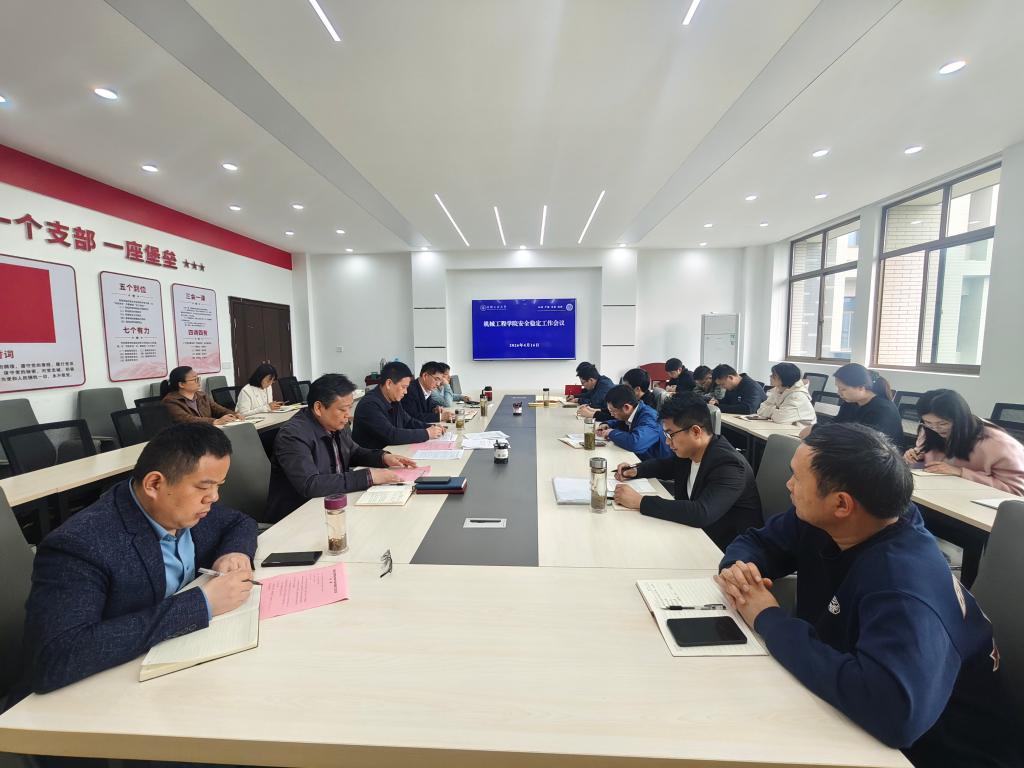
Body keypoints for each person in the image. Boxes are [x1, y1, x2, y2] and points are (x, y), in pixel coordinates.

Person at [717, 424, 1021, 767]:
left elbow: (894, 715)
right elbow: (758, 542)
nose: (788, 485)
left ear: (841, 503)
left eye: (797, 478)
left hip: (939, 751)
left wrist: (768, 618)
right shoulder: (833, 519)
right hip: (856, 704)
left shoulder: (903, 582)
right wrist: (740, 569)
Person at [17, 423, 258, 697]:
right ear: (154, 484)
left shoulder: (183, 507)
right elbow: (56, 657)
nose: (214, 497)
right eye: (204, 486)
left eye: (218, 485)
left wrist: (234, 552)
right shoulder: (80, 544)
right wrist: (201, 604)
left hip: (182, 669)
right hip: (106, 695)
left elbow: (240, 522)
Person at [613, 393, 762, 549]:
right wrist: (636, 470)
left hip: (727, 551)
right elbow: (665, 466)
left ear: (696, 432)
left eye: (670, 434)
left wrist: (640, 501)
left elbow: (702, 513)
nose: (667, 441)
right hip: (694, 535)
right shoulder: (691, 452)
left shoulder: (730, 465)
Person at [266, 373, 418, 522]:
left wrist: (383, 457)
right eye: (342, 409)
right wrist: (369, 476)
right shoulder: (293, 435)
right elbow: (310, 484)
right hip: (296, 518)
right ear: (318, 408)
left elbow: (354, 452)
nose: (348, 415)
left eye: (349, 408)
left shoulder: (333, 424)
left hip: (332, 505)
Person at [905, 389, 1024, 495]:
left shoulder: (996, 443)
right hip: (939, 494)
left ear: (961, 419)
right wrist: (916, 458)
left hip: (974, 504)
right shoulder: (928, 430)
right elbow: (935, 467)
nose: (935, 428)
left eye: (943, 423)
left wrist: (961, 472)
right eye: (928, 422)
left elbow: (1017, 491)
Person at [352, 361, 447, 450]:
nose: (406, 392)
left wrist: (431, 427)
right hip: (372, 458)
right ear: (389, 383)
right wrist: (426, 433)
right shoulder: (369, 404)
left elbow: (408, 421)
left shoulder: (394, 400)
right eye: (403, 387)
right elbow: (391, 435)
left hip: (390, 452)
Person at [801, 363, 902, 445]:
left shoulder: (883, 410)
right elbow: (837, 424)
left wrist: (818, 431)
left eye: (843, 389)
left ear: (861, 387)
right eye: (838, 388)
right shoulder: (851, 402)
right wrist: (816, 429)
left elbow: (864, 441)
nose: (839, 393)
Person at [595, 384, 672, 461]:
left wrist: (611, 432)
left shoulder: (650, 418)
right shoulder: (634, 413)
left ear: (626, 407)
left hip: (657, 464)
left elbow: (636, 443)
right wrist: (608, 424)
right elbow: (622, 422)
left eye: (613, 411)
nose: (612, 415)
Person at [160, 366, 240, 425]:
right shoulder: (170, 401)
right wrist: (215, 421)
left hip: (206, 432)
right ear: (181, 384)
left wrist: (234, 415)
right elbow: (187, 419)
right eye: (195, 379)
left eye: (198, 378)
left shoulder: (202, 395)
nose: (198, 382)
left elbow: (218, 409)